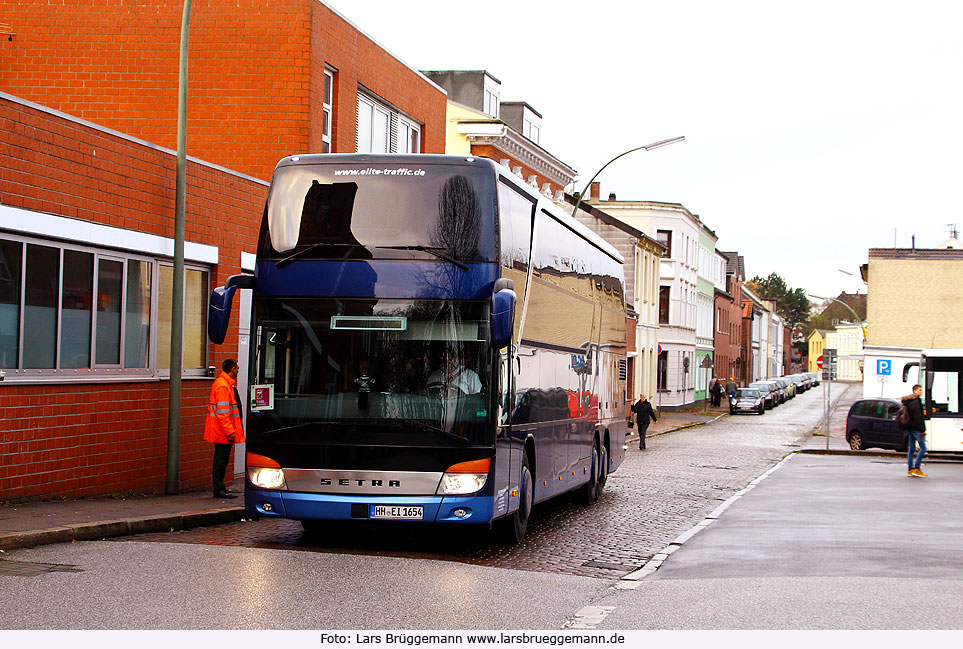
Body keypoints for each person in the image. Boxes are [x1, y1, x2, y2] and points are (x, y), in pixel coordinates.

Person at [204, 358, 245, 498]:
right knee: (221, 460)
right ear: (232, 368)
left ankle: (220, 488)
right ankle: (219, 489)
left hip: (222, 431)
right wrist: (230, 432)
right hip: (223, 432)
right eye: (237, 368)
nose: (238, 370)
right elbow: (222, 413)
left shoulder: (225, 384)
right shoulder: (223, 386)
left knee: (221, 459)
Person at [902, 383, 927, 478]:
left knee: (911, 449)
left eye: (921, 390)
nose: (921, 391)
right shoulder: (916, 402)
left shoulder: (908, 401)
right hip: (916, 428)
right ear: (915, 391)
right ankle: (917, 468)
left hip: (910, 428)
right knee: (923, 448)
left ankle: (910, 469)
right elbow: (918, 417)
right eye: (920, 390)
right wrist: (922, 430)